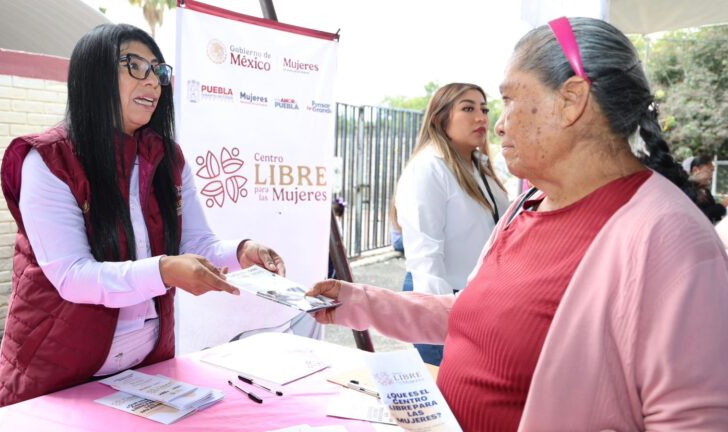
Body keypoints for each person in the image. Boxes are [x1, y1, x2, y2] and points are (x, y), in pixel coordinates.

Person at [309, 17, 728, 430]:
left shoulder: (670, 236)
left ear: (572, 100)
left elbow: (693, 419)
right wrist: (359, 302)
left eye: (508, 99)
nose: (499, 123)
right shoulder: (527, 205)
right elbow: (473, 315)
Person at [0, 24, 285, 406]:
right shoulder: (49, 159)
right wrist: (164, 271)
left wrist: (242, 251)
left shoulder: (167, 158)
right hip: (60, 371)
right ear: (93, 74)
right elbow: (72, 275)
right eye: (135, 66)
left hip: (147, 368)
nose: (153, 82)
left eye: (159, 71)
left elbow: (197, 243)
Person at [392, 83, 509, 365]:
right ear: (439, 118)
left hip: (477, 300)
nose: (481, 117)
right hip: (441, 296)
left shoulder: (479, 167)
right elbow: (425, 254)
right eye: (468, 108)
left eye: (484, 108)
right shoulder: (430, 167)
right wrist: (440, 318)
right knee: (451, 396)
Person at [683, 155, 726, 223]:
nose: (711, 175)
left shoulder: (705, 191)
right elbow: (700, 215)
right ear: (695, 170)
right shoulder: (687, 190)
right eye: (710, 170)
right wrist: (722, 205)